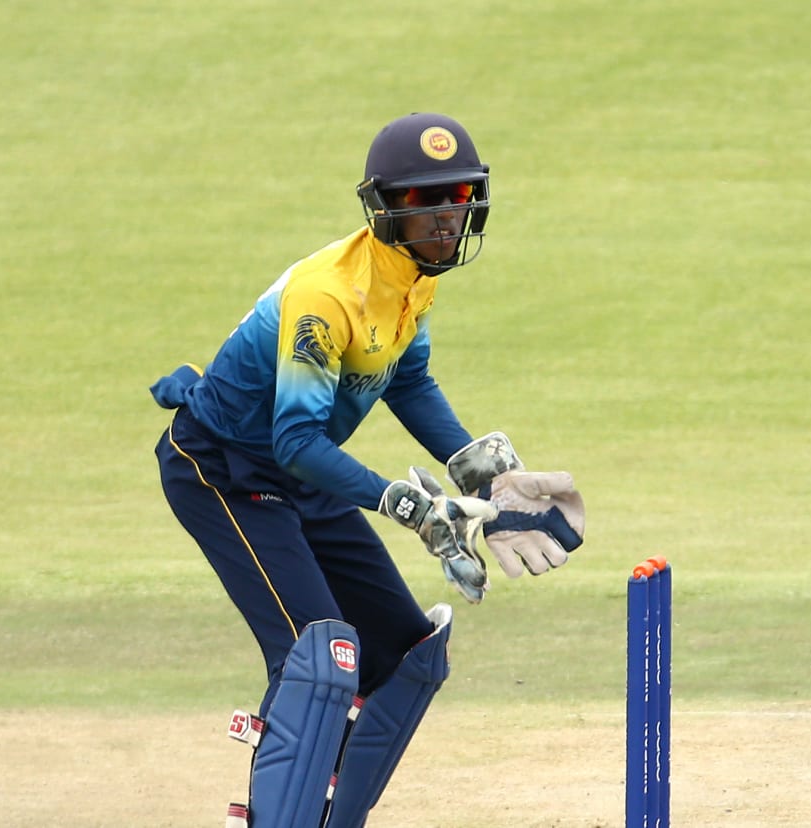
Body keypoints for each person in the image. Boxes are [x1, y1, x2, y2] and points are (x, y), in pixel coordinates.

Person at [150, 112, 585, 828]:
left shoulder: (411, 279)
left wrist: (482, 477)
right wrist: (408, 506)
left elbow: (407, 382)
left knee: (407, 656)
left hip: (307, 474)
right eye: (425, 204)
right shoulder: (328, 297)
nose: (446, 221)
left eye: (460, 199)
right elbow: (293, 441)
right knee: (322, 658)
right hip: (227, 471)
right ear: (386, 210)